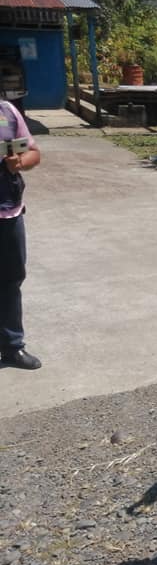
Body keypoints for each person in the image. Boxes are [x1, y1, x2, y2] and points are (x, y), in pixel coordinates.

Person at [0, 99, 41, 370]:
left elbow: (33, 153)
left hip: (9, 212)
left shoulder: (7, 112)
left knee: (11, 280)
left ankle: (12, 347)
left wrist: (19, 162)